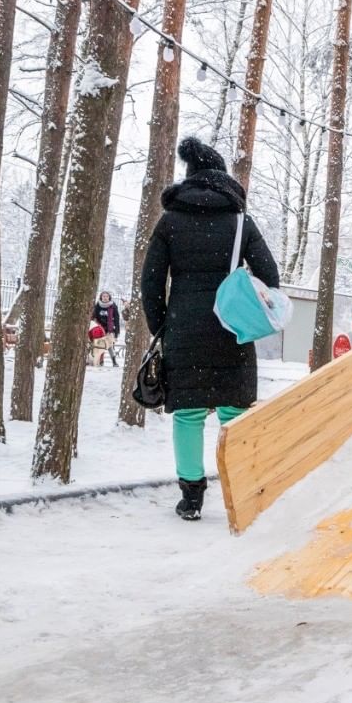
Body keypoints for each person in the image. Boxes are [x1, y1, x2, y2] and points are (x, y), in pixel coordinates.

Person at [141, 136, 281, 521]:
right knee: (234, 412)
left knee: (188, 413)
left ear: (190, 178)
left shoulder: (169, 222)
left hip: (183, 330)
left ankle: (191, 497)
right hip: (231, 330)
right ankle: (239, 485)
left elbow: (150, 282)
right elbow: (270, 276)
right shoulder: (240, 222)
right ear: (221, 178)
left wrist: (162, 326)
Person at [91, 290, 121, 367]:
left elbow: (117, 318)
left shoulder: (113, 306)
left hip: (110, 329)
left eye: (107, 296)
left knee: (109, 345)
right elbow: (94, 316)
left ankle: (114, 361)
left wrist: (117, 331)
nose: (105, 298)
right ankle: (101, 361)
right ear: (101, 297)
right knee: (100, 345)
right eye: (103, 296)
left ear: (109, 297)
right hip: (100, 329)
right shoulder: (98, 305)